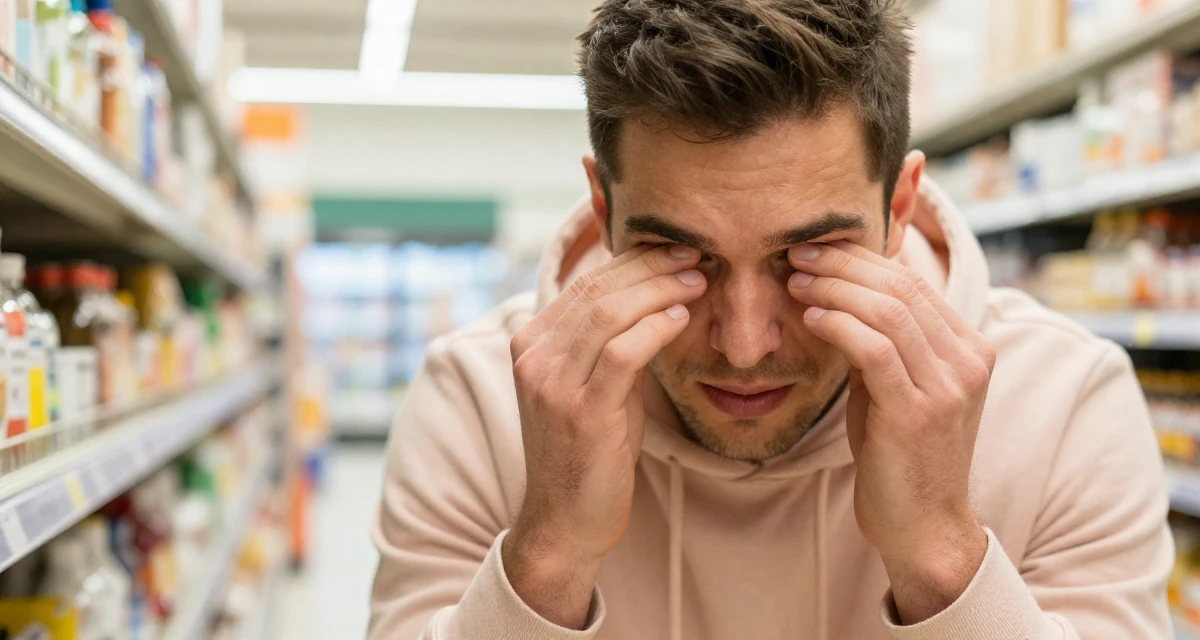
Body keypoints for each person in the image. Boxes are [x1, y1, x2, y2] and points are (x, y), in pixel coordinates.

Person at [367, 1, 1173, 638]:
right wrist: (545, 557)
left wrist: (940, 554)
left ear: (897, 206)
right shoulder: (478, 400)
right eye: (678, 257)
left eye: (808, 256)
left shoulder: (1067, 401)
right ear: (603, 207)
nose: (744, 344)